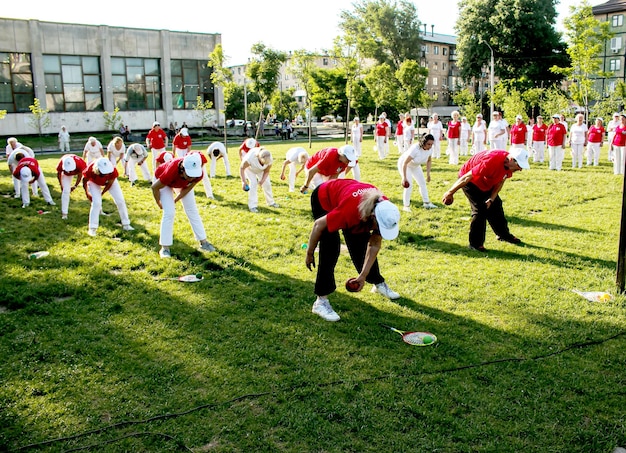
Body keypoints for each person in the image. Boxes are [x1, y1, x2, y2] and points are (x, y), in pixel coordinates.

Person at [305, 178, 401, 322]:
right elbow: (318, 225)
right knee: (330, 248)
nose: (379, 231)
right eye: (379, 227)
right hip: (324, 198)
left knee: (359, 245)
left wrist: (363, 275)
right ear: (373, 218)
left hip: (353, 204)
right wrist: (310, 253)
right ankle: (321, 302)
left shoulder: (385, 209)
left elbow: (374, 245)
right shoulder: (349, 212)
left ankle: (377, 283)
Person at [442, 148, 530, 252]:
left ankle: (503, 235)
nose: (520, 169)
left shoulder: (508, 166)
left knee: (496, 206)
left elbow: (500, 182)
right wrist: (450, 192)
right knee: (480, 210)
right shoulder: (491, 161)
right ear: (512, 159)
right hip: (471, 181)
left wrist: (492, 199)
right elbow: (467, 177)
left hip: (487, 182)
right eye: (519, 166)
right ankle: (475, 244)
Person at [152, 153, 215, 258]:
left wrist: (176, 199)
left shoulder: (198, 174)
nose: (191, 179)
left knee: (192, 210)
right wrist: (159, 202)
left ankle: (204, 242)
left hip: (180, 184)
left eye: (193, 176)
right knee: (169, 213)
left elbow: (187, 189)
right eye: (189, 175)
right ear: (182, 168)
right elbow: (155, 188)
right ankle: (165, 248)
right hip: (163, 182)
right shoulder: (171, 171)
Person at [82, 157, 134, 237]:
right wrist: (87, 193)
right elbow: (84, 181)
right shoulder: (90, 169)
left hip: (110, 182)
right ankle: (92, 228)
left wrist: (102, 193)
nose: (106, 175)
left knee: (120, 201)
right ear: (97, 170)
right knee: (96, 203)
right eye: (103, 174)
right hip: (94, 182)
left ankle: (126, 224)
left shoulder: (113, 171)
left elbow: (109, 184)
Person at [398, 134, 437, 212]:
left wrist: (428, 174)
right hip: (405, 165)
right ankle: (406, 206)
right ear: (423, 142)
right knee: (409, 185)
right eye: (428, 144)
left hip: (415, 166)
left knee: (422, 183)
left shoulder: (430, 149)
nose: (430, 146)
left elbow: (429, 161)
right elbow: (405, 163)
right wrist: (404, 178)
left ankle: (426, 203)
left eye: (431, 144)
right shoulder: (415, 149)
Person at [240, 147, 279, 213]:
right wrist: (243, 181)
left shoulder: (269, 159)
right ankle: (252, 206)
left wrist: (262, 181)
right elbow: (242, 168)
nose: (264, 164)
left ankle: (271, 202)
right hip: (250, 169)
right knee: (253, 184)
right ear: (259, 158)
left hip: (261, 170)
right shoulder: (250, 158)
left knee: (267, 184)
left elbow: (266, 171)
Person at [56, 154, 87, 220]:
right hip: (66, 174)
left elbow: (80, 175)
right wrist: (61, 185)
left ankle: (99, 209)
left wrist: (75, 186)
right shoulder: (61, 163)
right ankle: (64, 213)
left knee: (89, 188)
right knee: (66, 191)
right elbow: (59, 174)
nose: (70, 171)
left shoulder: (80, 164)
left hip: (77, 169)